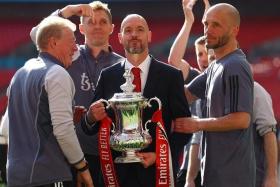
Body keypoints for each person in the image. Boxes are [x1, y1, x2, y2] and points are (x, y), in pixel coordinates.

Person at [81, 14, 191, 187]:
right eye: (128, 30)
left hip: (157, 174)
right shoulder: (108, 76)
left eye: (140, 30)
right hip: (116, 176)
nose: (134, 34)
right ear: (120, 37)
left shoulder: (171, 76)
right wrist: (90, 117)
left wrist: (159, 154)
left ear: (149, 35)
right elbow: (89, 126)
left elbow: (185, 128)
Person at [30, 2, 124, 186]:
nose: (97, 26)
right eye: (91, 21)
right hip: (70, 154)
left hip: (112, 154)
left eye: (103, 22)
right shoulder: (69, 54)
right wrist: (67, 11)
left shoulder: (122, 66)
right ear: (81, 27)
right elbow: (37, 34)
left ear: (112, 28)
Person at [173, 3, 256, 187]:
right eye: (205, 24)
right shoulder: (216, 66)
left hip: (232, 178)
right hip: (214, 174)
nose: (208, 30)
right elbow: (184, 95)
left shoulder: (235, 65)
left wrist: (197, 124)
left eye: (216, 25)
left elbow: (241, 119)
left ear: (235, 30)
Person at [6, 16, 93, 186]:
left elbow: (7, 127)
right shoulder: (57, 73)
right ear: (53, 43)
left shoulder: (20, 73)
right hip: (48, 175)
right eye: (72, 42)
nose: (76, 48)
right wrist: (82, 167)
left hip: (16, 176)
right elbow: (63, 130)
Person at [168, 0, 210, 186]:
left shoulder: (226, 76)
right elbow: (174, 61)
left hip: (216, 164)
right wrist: (188, 21)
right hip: (189, 167)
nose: (204, 58)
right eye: (199, 54)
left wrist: (209, 23)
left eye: (207, 52)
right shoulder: (194, 78)